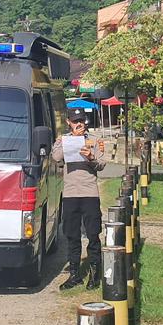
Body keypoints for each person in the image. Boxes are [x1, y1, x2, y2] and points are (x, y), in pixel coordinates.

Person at [51, 108, 106, 290]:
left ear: (86, 121)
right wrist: (68, 141)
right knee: (72, 235)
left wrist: (90, 158)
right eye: (75, 121)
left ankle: (95, 274)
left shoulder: (94, 140)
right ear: (69, 122)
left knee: (92, 234)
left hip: (89, 192)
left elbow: (101, 164)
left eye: (81, 120)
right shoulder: (63, 140)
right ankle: (75, 275)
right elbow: (56, 157)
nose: (79, 124)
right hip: (70, 194)